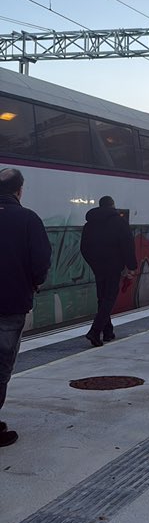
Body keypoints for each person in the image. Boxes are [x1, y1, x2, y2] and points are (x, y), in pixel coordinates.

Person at [0, 168, 52, 447]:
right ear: (19, 191)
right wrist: (33, 282)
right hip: (10, 303)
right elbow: (41, 261)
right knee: (1, 364)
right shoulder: (28, 218)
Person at [80, 195, 138, 347]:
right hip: (113, 267)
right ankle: (94, 331)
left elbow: (84, 248)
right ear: (113, 205)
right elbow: (127, 245)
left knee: (102, 298)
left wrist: (93, 263)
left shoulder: (89, 224)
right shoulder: (120, 222)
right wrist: (131, 266)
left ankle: (108, 331)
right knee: (109, 299)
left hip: (97, 266)